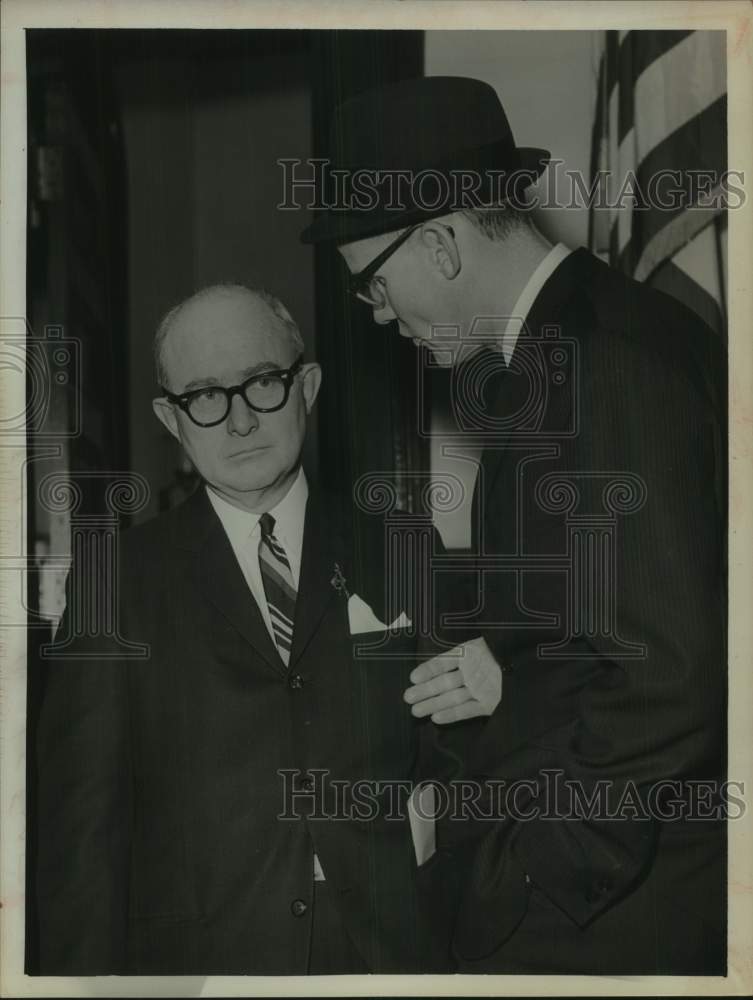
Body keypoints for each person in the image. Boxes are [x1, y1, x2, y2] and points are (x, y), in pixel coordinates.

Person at [300, 76, 727, 974]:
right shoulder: (577, 343)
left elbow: (669, 679)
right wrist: (513, 664)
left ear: (443, 245)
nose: (380, 318)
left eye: (373, 287)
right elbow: (629, 608)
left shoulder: (599, 364)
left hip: (608, 909)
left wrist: (533, 867)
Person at [33, 283, 499, 975]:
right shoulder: (118, 578)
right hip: (201, 963)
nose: (238, 422)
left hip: (387, 953)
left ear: (306, 386)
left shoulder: (403, 546)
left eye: (261, 384)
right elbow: (80, 826)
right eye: (204, 396)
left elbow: (466, 765)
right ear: (171, 418)